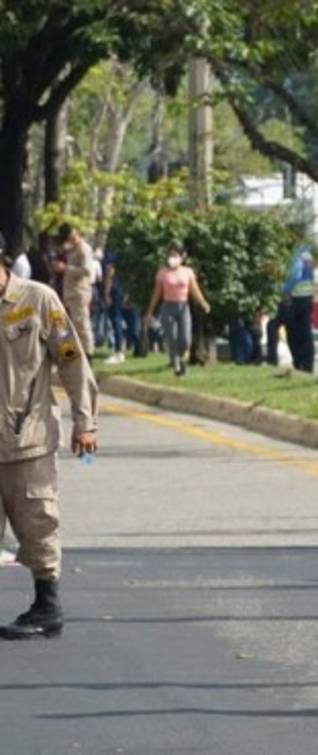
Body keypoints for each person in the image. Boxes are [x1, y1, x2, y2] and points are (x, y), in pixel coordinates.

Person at [0, 235, 98, 640]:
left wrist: (85, 421)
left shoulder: (37, 300)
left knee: (38, 523)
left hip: (28, 440)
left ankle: (46, 605)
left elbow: (72, 361)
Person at [145, 246, 211, 377]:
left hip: (183, 307)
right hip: (168, 307)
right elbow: (157, 293)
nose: (172, 258)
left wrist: (203, 302)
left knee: (185, 339)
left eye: (175, 255)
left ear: (181, 258)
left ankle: (180, 358)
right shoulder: (163, 273)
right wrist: (150, 312)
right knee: (172, 338)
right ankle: (177, 365)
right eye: (170, 255)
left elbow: (194, 289)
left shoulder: (187, 272)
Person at [57, 225, 95, 359]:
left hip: (80, 292)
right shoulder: (71, 249)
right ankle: (73, 355)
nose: (71, 239)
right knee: (68, 325)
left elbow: (86, 270)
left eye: (73, 236)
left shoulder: (85, 249)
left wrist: (66, 268)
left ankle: (88, 354)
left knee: (82, 324)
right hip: (70, 291)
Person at [102, 250, 140, 364]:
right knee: (132, 321)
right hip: (129, 290)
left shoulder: (112, 253)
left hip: (116, 291)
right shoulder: (132, 252)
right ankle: (138, 347)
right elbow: (134, 274)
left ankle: (119, 351)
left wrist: (107, 293)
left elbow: (110, 271)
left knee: (116, 321)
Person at [282, 246, 316, 373]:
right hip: (307, 298)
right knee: (306, 334)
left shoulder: (295, 255)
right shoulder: (307, 255)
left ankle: (300, 363)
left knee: (294, 333)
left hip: (296, 299)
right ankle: (307, 364)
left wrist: (285, 291)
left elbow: (295, 276)